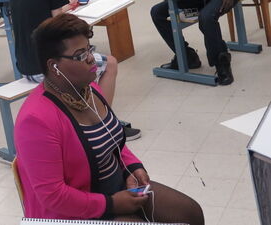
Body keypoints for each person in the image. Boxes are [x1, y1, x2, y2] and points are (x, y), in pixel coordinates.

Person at [14, 14, 204, 224]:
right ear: (54, 66)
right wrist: (111, 203)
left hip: (115, 188)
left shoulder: (89, 90)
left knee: (191, 213)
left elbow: (112, 141)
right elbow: (53, 196)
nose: (90, 59)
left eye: (89, 49)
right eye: (79, 55)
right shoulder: (36, 120)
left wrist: (133, 167)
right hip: (74, 213)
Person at [9, 0, 139, 140]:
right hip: (48, 69)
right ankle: (103, 124)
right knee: (109, 64)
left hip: (26, 66)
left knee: (86, 63)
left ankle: (92, 116)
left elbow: (49, 13)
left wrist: (69, 4)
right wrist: (71, 12)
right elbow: (61, 22)